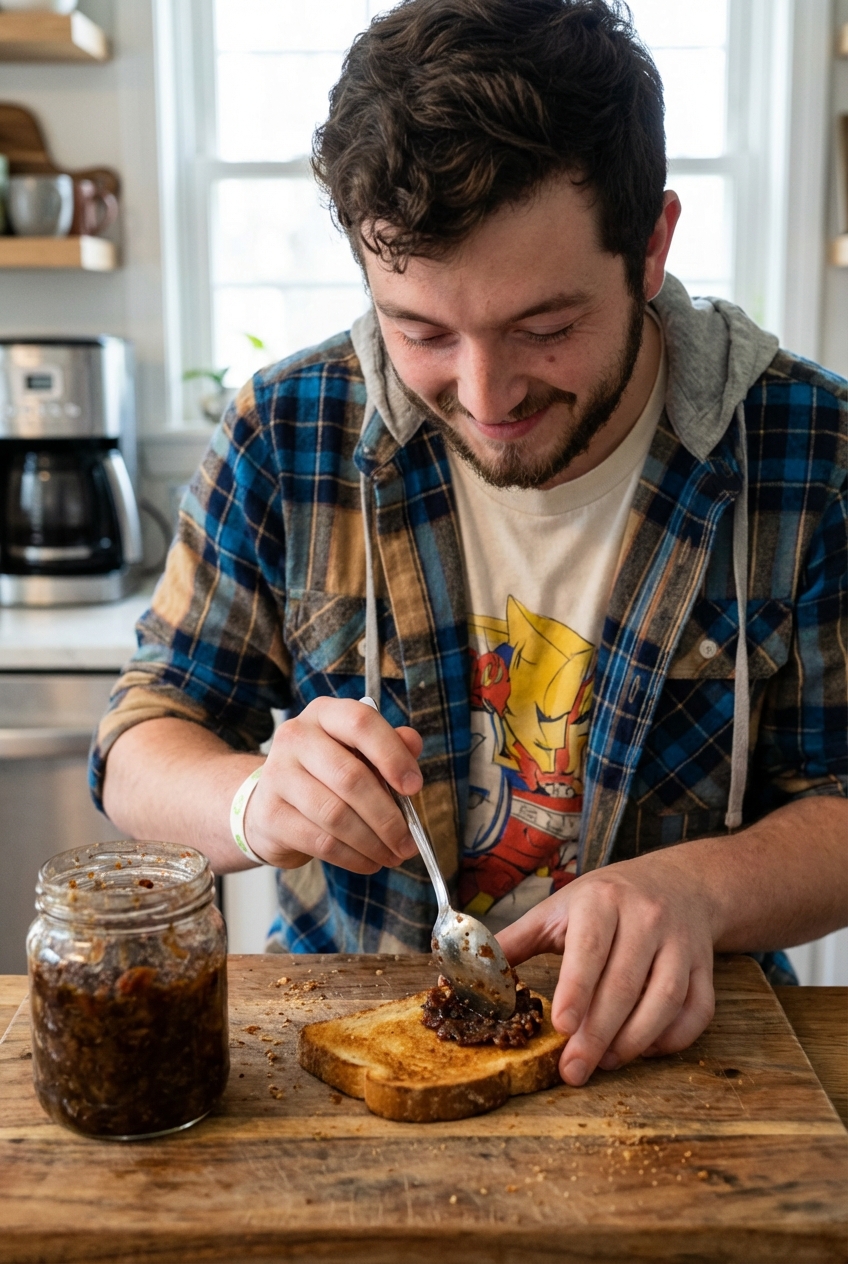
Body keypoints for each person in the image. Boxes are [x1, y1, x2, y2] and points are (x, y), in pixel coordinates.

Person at [92, 0, 847, 1088]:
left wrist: (699, 887)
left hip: (690, 1066)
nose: (485, 398)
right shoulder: (286, 429)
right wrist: (253, 801)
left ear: (650, 247)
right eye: (421, 333)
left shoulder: (809, 450)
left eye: (545, 327)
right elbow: (136, 741)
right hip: (338, 1057)